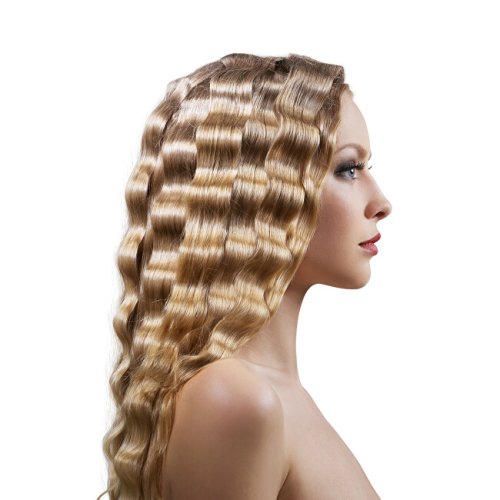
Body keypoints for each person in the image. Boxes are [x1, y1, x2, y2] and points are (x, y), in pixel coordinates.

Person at [98, 52, 392, 500]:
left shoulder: (271, 396)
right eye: (347, 169)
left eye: (366, 168)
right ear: (263, 191)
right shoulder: (236, 401)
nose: (381, 203)